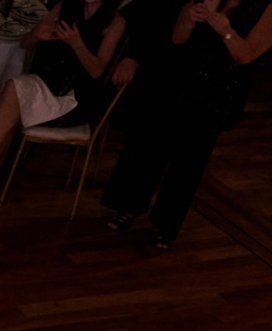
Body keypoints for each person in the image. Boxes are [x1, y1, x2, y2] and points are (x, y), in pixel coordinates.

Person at [100, 0, 269, 251]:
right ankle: (128, 207)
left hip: (218, 93)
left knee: (189, 162)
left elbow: (245, 55)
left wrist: (225, 30)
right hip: (178, 78)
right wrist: (187, 19)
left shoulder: (265, 8)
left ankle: (165, 226)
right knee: (149, 145)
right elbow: (177, 39)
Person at [0, 0, 123, 195]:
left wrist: (76, 42)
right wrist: (36, 37)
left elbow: (97, 71)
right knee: (13, 87)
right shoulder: (64, 6)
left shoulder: (115, 20)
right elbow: (25, 42)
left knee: (13, 100)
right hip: (44, 81)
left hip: (74, 97)